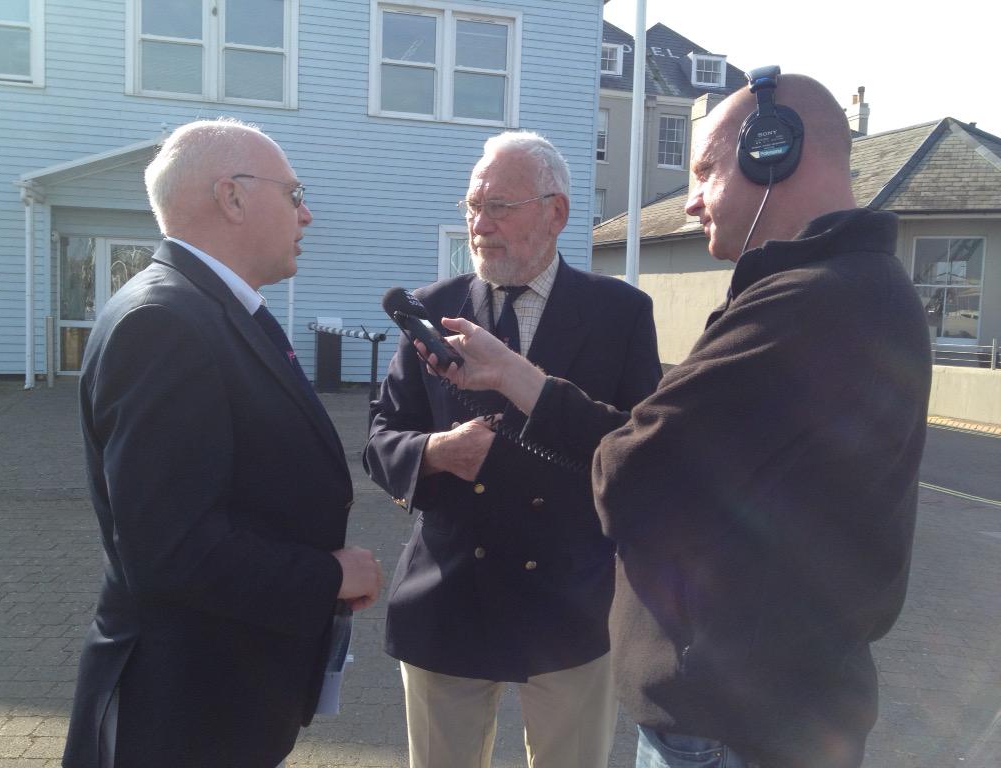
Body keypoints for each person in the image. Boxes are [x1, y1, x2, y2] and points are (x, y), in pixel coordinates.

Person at [418, 74, 932, 768]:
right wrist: (516, 378)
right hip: (762, 712)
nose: (691, 202)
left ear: (772, 152)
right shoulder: (848, 291)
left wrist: (540, 406)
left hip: (728, 730)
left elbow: (636, 467)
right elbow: (675, 448)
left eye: (706, 171)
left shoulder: (811, 304)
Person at [63, 118, 383, 768]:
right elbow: (172, 553)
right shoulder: (165, 324)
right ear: (232, 197)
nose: (308, 214)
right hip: (179, 718)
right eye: (295, 195)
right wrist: (327, 575)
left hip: (219, 699)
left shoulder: (209, 310)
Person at [364, 131, 661, 768]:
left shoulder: (621, 313)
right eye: (474, 206)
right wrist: (436, 452)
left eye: (500, 206)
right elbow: (382, 436)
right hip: (449, 595)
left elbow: (642, 447)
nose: (480, 224)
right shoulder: (433, 310)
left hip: (571, 603)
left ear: (555, 212)